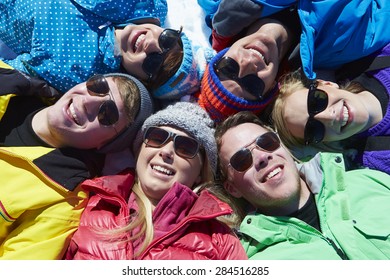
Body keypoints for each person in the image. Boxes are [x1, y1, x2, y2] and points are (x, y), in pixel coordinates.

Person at [0, 68, 154, 259]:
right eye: (98, 86)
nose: (88, 101)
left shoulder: (62, 201)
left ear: (104, 145)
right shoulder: (8, 80)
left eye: (107, 114)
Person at [65, 102, 247, 260]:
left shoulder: (221, 240)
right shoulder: (90, 201)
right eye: (157, 138)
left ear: (201, 172)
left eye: (185, 147)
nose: (166, 152)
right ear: (139, 151)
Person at [215, 111, 390, 259]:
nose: (262, 157)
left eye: (267, 142)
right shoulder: (256, 262)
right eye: (242, 159)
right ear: (233, 188)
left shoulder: (369, 180)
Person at [197, 0, 390, 122]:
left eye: (228, 68)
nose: (247, 65)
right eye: (252, 85)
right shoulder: (340, 46)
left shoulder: (218, 6)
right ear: (272, 87)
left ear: (220, 55)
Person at [0, 0, 213, 101]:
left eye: (153, 63)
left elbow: (9, 72)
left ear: (141, 81)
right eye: (167, 41)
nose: (151, 46)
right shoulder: (144, 3)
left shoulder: (76, 72)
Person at [271, 42, 390, 175]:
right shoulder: (378, 168)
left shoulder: (377, 54)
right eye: (314, 130)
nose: (328, 117)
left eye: (316, 102)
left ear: (327, 84)